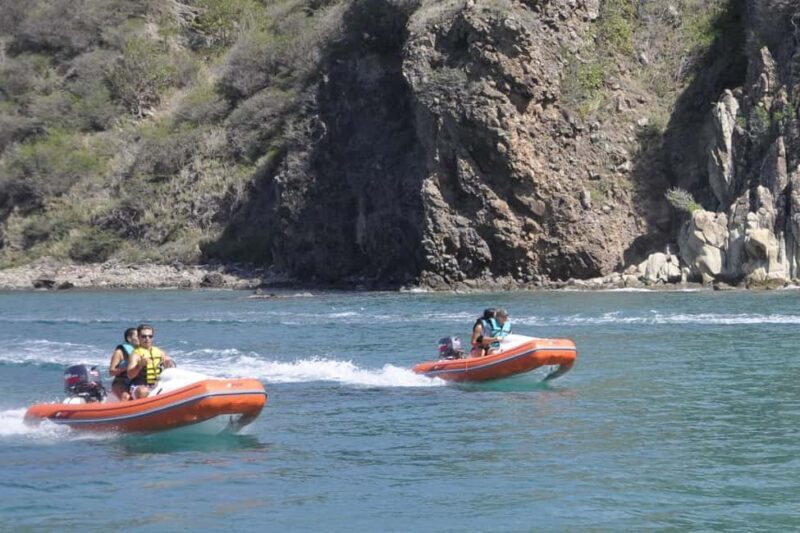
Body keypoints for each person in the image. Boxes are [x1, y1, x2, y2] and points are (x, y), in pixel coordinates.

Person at [127, 324, 174, 399]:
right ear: (139, 337)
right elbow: (130, 375)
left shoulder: (161, 352)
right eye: (144, 336)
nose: (147, 338)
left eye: (150, 336)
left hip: (158, 384)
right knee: (143, 391)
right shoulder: (135, 354)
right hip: (139, 386)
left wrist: (168, 364)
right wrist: (139, 365)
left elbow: (170, 371)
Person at [108, 328, 138, 401]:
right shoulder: (119, 352)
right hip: (121, 381)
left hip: (137, 380)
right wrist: (126, 368)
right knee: (126, 397)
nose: (140, 338)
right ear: (129, 338)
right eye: (137, 336)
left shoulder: (143, 351)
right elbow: (111, 372)